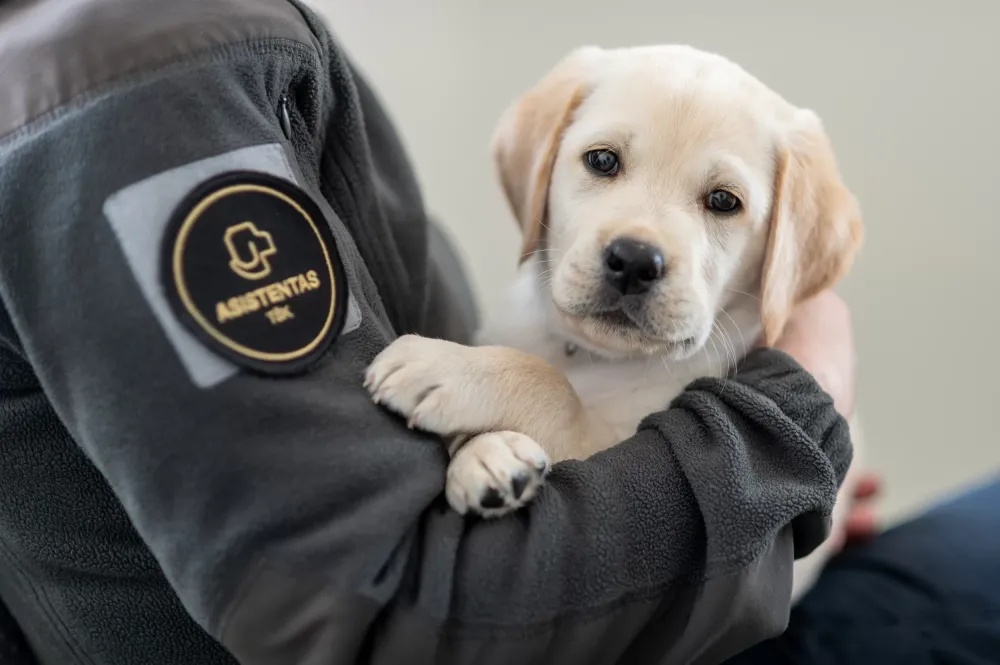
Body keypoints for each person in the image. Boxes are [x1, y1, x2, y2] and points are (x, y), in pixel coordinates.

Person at [0, 1, 856, 664]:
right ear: (543, 167)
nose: (641, 244)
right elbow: (398, 613)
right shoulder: (128, 87)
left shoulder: (201, 37)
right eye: (603, 162)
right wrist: (791, 432)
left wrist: (800, 503)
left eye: (721, 202)